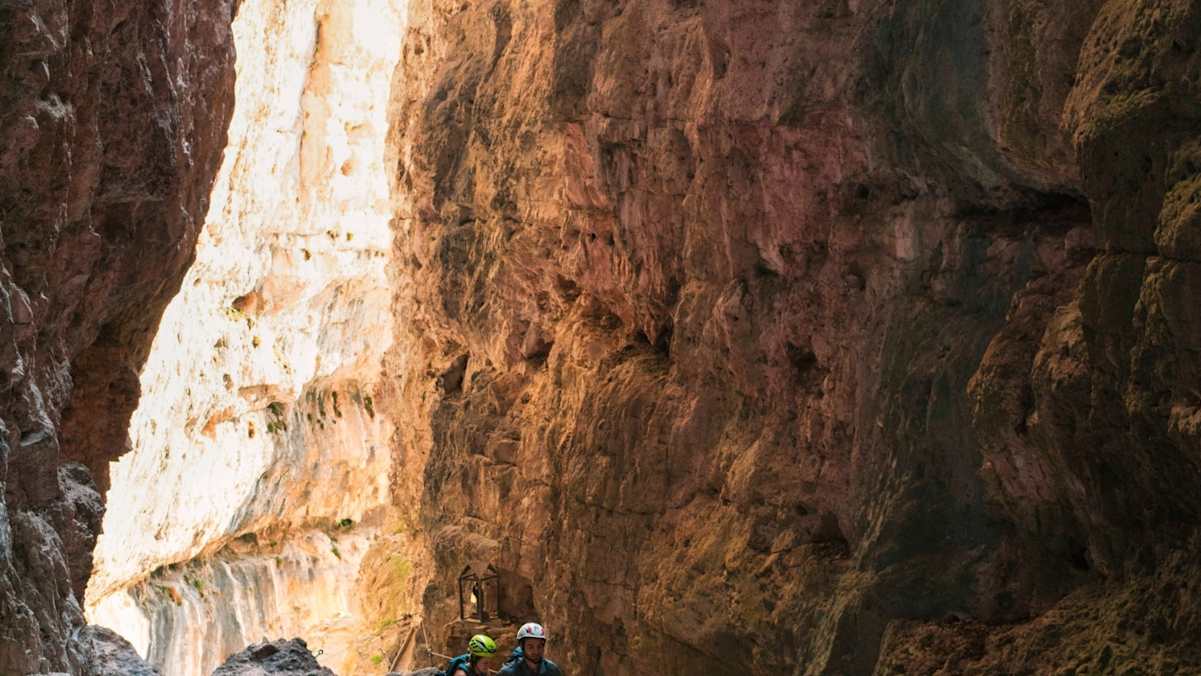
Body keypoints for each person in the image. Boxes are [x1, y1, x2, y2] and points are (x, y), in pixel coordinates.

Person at [498, 623, 562, 676]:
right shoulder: (508, 672)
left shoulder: (552, 670)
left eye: (539, 646)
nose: (536, 651)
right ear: (522, 647)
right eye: (530, 647)